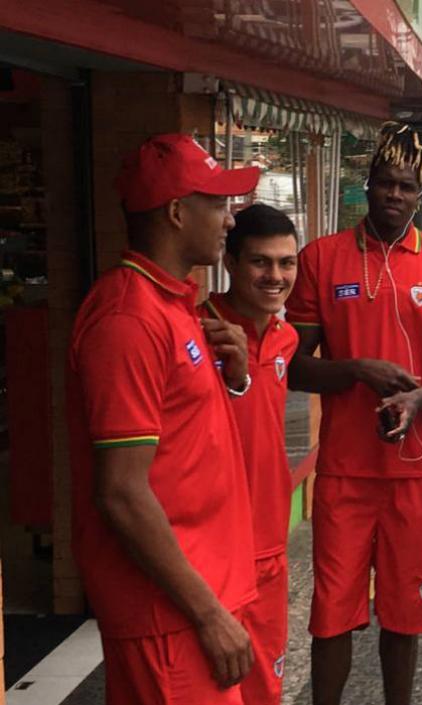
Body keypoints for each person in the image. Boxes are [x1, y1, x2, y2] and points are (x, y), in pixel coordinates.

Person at [285, 122, 422, 705]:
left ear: (420, 195)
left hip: (418, 474)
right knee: (331, 614)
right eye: (386, 183)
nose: (395, 195)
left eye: (408, 186)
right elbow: (293, 365)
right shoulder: (321, 259)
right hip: (344, 472)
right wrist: (356, 370)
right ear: (365, 186)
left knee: (406, 615)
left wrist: (418, 399)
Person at [67, 133, 260, 704]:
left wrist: (236, 376)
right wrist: (207, 613)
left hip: (196, 599)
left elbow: (186, 447)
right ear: (177, 212)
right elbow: (122, 494)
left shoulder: (174, 305)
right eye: (218, 204)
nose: (230, 221)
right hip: (172, 612)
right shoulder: (128, 318)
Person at [199, 204, 300, 705]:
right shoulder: (200, 331)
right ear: (231, 263)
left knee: (267, 688)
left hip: (270, 546)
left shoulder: (287, 337)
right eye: (261, 262)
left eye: (286, 263)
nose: (275, 276)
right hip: (213, 552)